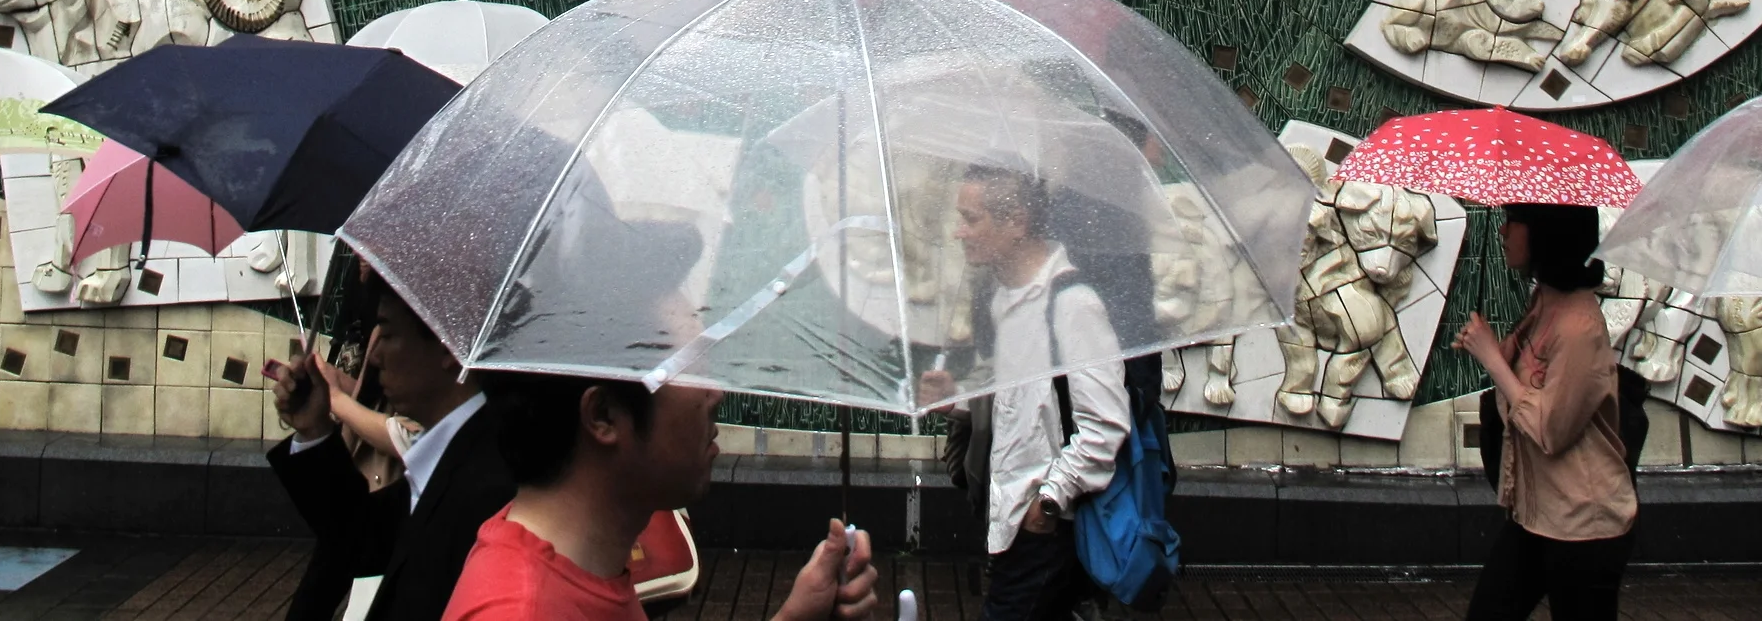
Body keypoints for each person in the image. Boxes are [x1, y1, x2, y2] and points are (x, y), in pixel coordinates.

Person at [442, 369, 875, 621]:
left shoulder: (587, 568)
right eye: (686, 365)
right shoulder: (521, 611)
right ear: (603, 415)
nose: (715, 392)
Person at [918, 165, 1131, 621]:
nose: (958, 231)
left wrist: (1049, 503)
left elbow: (1107, 424)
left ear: (1016, 221)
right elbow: (1016, 403)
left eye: (970, 218)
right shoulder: (1001, 298)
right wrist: (955, 400)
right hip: (1010, 516)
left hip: (1047, 528)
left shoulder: (1072, 304)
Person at [265, 276, 513, 621]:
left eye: (389, 334)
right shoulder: (450, 458)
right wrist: (315, 429)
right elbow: (360, 536)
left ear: (446, 347)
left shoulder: (491, 483)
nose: (377, 357)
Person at [1454, 203, 1638, 621]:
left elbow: (1549, 429)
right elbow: (1521, 388)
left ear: (1547, 233)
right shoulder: (1543, 302)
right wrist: (1492, 348)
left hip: (1583, 527)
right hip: (1534, 516)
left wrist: (1493, 360)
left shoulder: (1579, 327)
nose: (1502, 232)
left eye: (1514, 221)